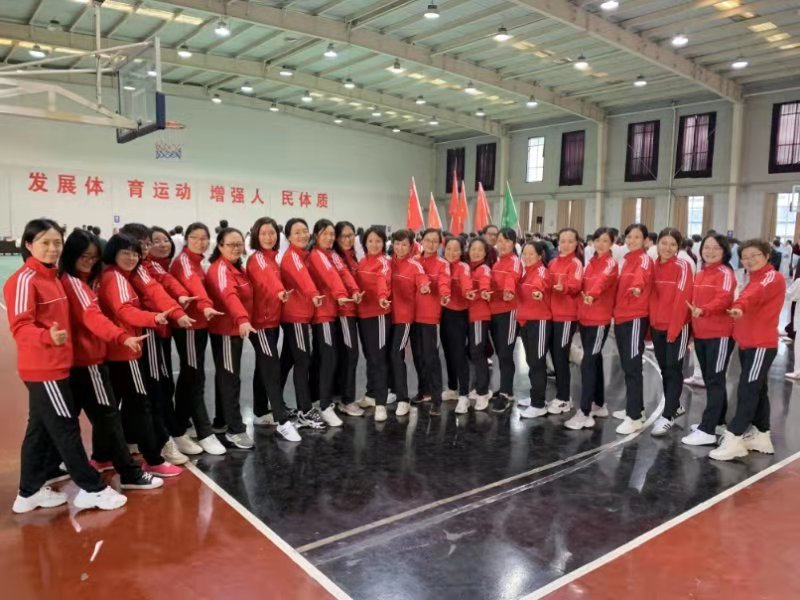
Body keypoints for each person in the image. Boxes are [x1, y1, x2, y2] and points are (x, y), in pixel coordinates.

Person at [4, 219, 128, 513]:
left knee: (39, 431)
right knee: (66, 429)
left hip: (57, 366)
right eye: (45, 242)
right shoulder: (24, 280)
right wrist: (47, 337)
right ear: (29, 244)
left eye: (57, 242)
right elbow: (20, 326)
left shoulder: (53, 277)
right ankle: (92, 489)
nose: (52, 248)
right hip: (44, 368)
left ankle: (28, 493)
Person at [59, 229, 162, 490]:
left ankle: (61, 466)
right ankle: (130, 472)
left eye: (93, 257)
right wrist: (122, 336)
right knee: (109, 415)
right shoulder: (79, 282)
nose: (89, 261)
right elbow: (95, 316)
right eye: (84, 256)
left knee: (69, 418)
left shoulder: (89, 279)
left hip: (90, 357)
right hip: (90, 359)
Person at [97, 233, 183, 478]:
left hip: (118, 349)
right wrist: (153, 318)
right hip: (125, 350)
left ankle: (101, 457)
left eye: (135, 253)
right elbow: (125, 311)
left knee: (113, 406)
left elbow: (154, 290)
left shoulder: (117, 276)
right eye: (126, 253)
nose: (132, 257)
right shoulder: (115, 278)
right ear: (113, 253)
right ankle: (153, 459)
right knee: (141, 404)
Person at [120, 223, 194, 466]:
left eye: (146, 244)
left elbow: (160, 287)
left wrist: (177, 306)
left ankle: (143, 438)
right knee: (151, 389)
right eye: (138, 245)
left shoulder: (144, 267)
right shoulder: (116, 274)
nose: (142, 250)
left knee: (155, 387)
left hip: (147, 332)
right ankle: (160, 442)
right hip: (136, 336)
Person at [711, 239, 785, 461]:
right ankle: (762, 435)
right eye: (745, 257)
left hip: (761, 345)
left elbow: (752, 295)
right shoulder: (753, 277)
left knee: (747, 390)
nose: (750, 260)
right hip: (748, 344)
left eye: (755, 255)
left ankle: (734, 437)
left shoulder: (771, 277)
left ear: (767, 256)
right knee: (758, 389)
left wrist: (739, 306)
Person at [170, 223, 227, 455]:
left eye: (204, 238)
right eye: (195, 238)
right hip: (190, 327)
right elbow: (194, 284)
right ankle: (205, 433)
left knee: (189, 376)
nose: (200, 242)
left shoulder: (198, 261)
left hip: (200, 325)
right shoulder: (184, 261)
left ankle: (179, 424)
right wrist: (205, 305)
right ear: (186, 239)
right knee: (195, 377)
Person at [246, 217, 299, 441]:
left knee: (263, 366)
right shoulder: (258, 258)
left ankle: (260, 411)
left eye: (272, 233)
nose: (268, 237)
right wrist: (280, 291)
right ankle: (282, 421)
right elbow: (268, 280)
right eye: (264, 233)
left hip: (272, 321)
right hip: (261, 324)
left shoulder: (272, 258)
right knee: (271, 368)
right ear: (256, 236)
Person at [683, 234, 736, 446]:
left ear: (724, 251)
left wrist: (704, 310)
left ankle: (707, 430)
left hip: (719, 334)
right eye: (707, 247)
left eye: (716, 248)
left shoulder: (725, 273)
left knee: (715, 380)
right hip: (701, 334)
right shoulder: (701, 273)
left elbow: (724, 298)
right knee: (711, 378)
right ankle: (718, 422)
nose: (710, 251)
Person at [206, 227, 256, 449]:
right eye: (231, 244)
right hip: (226, 330)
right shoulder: (220, 269)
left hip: (234, 330)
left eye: (239, 244)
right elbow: (229, 295)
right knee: (230, 379)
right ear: (220, 246)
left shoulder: (236, 267)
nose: (236, 248)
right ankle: (235, 429)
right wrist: (242, 319)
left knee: (225, 376)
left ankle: (221, 421)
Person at [566, 227, 618, 430]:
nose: (600, 244)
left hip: (598, 320)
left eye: (605, 240)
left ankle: (585, 412)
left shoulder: (610, 263)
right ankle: (599, 404)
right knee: (594, 360)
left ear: (611, 243)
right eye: (598, 240)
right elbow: (582, 285)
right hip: (586, 319)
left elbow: (602, 282)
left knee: (588, 362)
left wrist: (592, 295)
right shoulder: (590, 263)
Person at [308, 219, 359, 427]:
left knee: (330, 358)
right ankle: (324, 405)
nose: (329, 238)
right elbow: (330, 276)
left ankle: (324, 400)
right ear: (316, 235)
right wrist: (341, 294)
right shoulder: (317, 255)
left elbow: (344, 273)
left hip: (333, 311)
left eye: (331, 234)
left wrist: (354, 290)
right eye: (325, 234)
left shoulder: (333, 255)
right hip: (323, 314)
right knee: (328, 358)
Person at [280, 218, 326, 429]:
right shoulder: (293, 257)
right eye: (296, 232)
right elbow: (304, 280)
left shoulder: (302, 254)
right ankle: (305, 410)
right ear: (288, 236)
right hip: (296, 316)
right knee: (303, 361)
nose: (302, 235)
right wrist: (314, 294)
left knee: (288, 361)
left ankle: (275, 404)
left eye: (304, 231)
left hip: (299, 315)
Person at [649, 228, 694, 437]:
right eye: (664, 243)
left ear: (678, 247)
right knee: (665, 369)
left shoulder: (683, 266)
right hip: (657, 327)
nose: (667, 248)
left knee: (674, 369)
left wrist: (674, 329)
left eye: (672, 244)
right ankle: (674, 405)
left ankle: (667, 416)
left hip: (677, 327)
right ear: (657, 244)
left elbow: (683, 299)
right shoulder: (653, 265)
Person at [613, 223, 654, 435]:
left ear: (645, 240)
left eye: (637, 237)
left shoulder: (644, 259)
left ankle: (634, 417)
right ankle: (636, 407)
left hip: (635, 317)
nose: (632, 240)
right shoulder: (626, 259)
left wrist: (637, 287)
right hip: (621, 316)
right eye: (629, 236)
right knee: (628, 365)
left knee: (632, 366)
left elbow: (642, 276)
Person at [389, 229, 429, 418]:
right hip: (386, 316)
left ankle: (403, 399)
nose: (400, 247)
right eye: (397, 243)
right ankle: (392, 390)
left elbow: (422, 279)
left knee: (396, 354)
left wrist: (424, 286)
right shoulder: (387, 263)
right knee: (388, 355)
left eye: (404, 244)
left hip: (404, 318)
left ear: (411, 246)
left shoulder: (415, 265)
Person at [411, 228, 451, 416]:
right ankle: (423, 391)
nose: (431, 244)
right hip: (412, 316)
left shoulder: (442, 264)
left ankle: (436, 399)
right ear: (421, 241)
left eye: (435, 241)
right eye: (428, 240)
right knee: (418, 356)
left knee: (431, 357)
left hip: (430, 316)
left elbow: (444, 282)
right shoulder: (414, 261)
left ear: (440, 244)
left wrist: (444, 293)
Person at [356, 226, 392, 421]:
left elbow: (382, 280)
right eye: (370, 241)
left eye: (378, 241)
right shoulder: (362, 262)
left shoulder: (384, 262)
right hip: (363, 315)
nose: (374, 244)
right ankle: (371, 394)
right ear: (365, 243)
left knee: (378, 359)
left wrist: (382, 296)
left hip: (379, 314)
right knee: (370, 356)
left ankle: (381, 403)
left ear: (383, 243)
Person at [546, 228, 584, 415]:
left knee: (561, 355)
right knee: (555, 355)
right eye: (563, 241)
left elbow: (576, 285)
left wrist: (565, 288)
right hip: (552, 315)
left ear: (576, 244)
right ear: (558, 242)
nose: (566, 244)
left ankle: (564, 398)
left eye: (570, 241)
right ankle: (561, 395)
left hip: (566, 316)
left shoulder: (576, 263)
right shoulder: (552, 263)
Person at [332, 221, 365, 416]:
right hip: (344, 311)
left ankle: (340, 396)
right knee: (351, 354)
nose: (348, 239)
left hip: (354, 311)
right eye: (343, 236)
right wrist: (353, 292)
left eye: (351, 235)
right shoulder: (336, 257)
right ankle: (347, 400)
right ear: (336, 238)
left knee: (347, 355)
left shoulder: (353, 255)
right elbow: (344, 277)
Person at [516, 241, 552, 419]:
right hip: (525, 321)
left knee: (537, 362)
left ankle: (539, 404)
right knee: (531, 361)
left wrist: (538, 291)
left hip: (539, 321)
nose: (527, 257)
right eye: (525, 253)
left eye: (531, 254)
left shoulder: (541, 271)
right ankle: (535, 397)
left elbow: (541, 283)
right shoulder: (524, 272)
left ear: (539, 256)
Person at [489, 228, 522, 411]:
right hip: (495, 312)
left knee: (505, 354)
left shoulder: (514, 261)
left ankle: (506, 393)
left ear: (513, 243)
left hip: (509, 313)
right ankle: (504, 388)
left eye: (507, 241)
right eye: (500, 240)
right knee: (500, 352)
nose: (502, 244)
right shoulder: (497, 262)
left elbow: (512, 277)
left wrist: (509, 290)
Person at [440, 236, 472, 411]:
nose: (452, 252)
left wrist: (467, 292)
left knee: (459, 354)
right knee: (447, 353)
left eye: (456, 249)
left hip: (459, 314)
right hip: (443, 314)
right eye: (449, 249)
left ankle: (464, 394)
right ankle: (452, 388)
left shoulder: (463, 266)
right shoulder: (442, 265)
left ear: (461, 251)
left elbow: (466, 283)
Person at [465, 237, 493, 411]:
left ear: (485, 253)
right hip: (468, 315)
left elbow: (485, 283)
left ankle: (483, 392)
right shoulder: (467, 267)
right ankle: (478, 387)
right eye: (473, 249)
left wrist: (483, 291)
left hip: (479, 316)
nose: (475, 252)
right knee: (473, 352)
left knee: (477, 352)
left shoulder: (483, 269)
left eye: (479, 250)